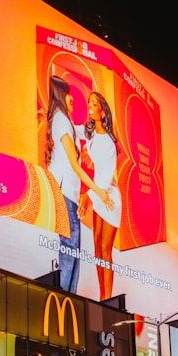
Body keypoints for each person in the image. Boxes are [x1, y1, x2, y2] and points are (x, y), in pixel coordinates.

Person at [44, 75, 114, 293]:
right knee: (69, 247)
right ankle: (65, 297)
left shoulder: (64, 121)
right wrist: (98, 192)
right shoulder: (60, 120)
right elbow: (75, 166)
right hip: (63, 193)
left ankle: (69, 298)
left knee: (73, 248)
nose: (73, 99)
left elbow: (85, 131)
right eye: (69, 95)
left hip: (69, 195)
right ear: (61, 95)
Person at [76, 91, 121, 300]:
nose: (90, 106)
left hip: (109, 199)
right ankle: (102, 296)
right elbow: (75, 131)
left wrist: (87, 196)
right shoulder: (92, 134)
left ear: (103, 112)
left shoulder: (109, 144)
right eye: (89, 103)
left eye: (95, 104)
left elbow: (104, 179)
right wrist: (49, 118)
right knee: (96, 249)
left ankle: (108, 299)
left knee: (105, 251)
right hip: (98, 195)